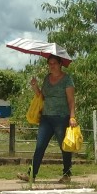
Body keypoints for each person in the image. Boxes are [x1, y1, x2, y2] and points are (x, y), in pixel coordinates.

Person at [17, 54, 77, 183]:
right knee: (40, 146)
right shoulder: (46, 78)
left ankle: (66, 174)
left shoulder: (67, 79)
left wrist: (72, 117)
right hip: (46, 118)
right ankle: (31, 175)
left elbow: (71, 100)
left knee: (64, 147)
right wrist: (34, 86)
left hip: (61, 118)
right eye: (49, 63)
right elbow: (41, 96)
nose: (51, 66)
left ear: (60, 64)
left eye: (54, 63)